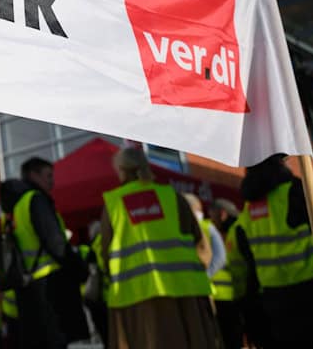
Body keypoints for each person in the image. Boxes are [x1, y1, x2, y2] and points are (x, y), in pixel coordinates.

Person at [98, 147, 219, 348]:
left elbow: (105, 253)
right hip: (185, 293)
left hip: (136, 298)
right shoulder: (171, 196)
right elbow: (200, 245)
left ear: (121, 170)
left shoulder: (114, 204)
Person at [0, 157, 88, 348]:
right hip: (51, 285)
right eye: (48, 175)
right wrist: (79, 269)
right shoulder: (36, 200)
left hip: (27, 287)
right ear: (33, 175)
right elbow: (55, 243)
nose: (52, 181)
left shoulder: (13, 209)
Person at [235, 153, 313, 349]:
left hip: (274, 299)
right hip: (310, 289)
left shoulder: (248, 209)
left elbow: (247, 260)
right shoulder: (296, 191)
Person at [208, 199, 249, 349]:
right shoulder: (234, 230)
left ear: (223, 214)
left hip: (239, 297)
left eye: (212, 216)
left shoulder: (237, 230)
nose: (211, 221)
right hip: (238, 296)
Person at [183, 193, 226, 278]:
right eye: (198, 209)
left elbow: (220, 257)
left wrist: (204, 277)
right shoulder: (207, 227)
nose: (201, 213)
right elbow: (220, 257)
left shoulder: (207, 227)